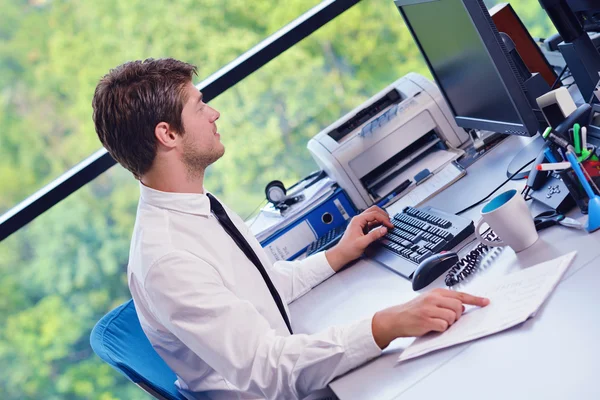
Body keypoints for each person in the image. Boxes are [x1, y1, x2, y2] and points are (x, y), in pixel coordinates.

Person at [92, 58, 489, 400]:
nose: (214, 114)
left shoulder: (195, 204)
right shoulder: (168, 258)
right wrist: (386, 325)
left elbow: (259, 284)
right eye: (199, 106)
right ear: (168, 134)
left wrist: (337, 255)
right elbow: (270, 371)